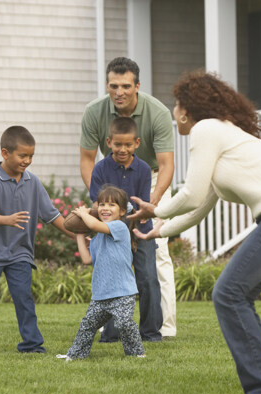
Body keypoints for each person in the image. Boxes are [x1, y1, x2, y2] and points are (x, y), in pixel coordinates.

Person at [129, 71, 261, 394]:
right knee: (235, 296)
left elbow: (189, 194)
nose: (173, 113)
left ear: (187, 110)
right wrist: (158, 232)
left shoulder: (207, 129)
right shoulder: (221, 136)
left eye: (176, 105)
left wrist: (154, 211)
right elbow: (200, 205)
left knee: (228, 294)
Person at [0, 126, 76, 354]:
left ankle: (31, 345)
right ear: (5, 153)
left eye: (31, 156)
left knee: (24, 299)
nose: (27, 161)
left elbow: (52, 215)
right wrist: (8, 219)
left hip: (19, 252)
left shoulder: (33, 182)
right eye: (23, 156)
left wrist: (77, 234)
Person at [79, 56, 177, 338]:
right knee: (109, 252)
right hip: (109, 179)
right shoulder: (94, 112)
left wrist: (151, 205)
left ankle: (162, 327)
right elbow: (87, 160)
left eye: (125, 86)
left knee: (157, 253)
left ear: (137, 86)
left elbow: (167, 165)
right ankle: (109, 324)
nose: (118, 92)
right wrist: (101, 202)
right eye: (113, 86)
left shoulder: (157, 113)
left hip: (151, 177)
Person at [90, 116, 162, 342]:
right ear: (109, 142)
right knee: (113, 280)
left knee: (148, 278)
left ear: (137, 143)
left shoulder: (142, 169)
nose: (123, 149)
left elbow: (140, 205)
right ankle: (111, 333)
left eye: (128, 144)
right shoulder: (100, 169)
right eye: (118, 144)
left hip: (140, 230)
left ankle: (150, 332)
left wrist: (131, 235)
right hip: (109, 234)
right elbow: (98, 204)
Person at [57, 185, 146, 360]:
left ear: (121, 211)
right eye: (102, 204)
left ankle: (136, 353)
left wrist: (84, 213)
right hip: (101, 295)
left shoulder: (120, 228)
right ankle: (75, 355)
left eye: (112, 205)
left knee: (124, 323)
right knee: (87, 325)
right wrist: (80, 234)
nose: (105, 208)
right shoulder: (98, 239)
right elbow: (86, 259)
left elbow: (94, 223)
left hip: (122, 292)